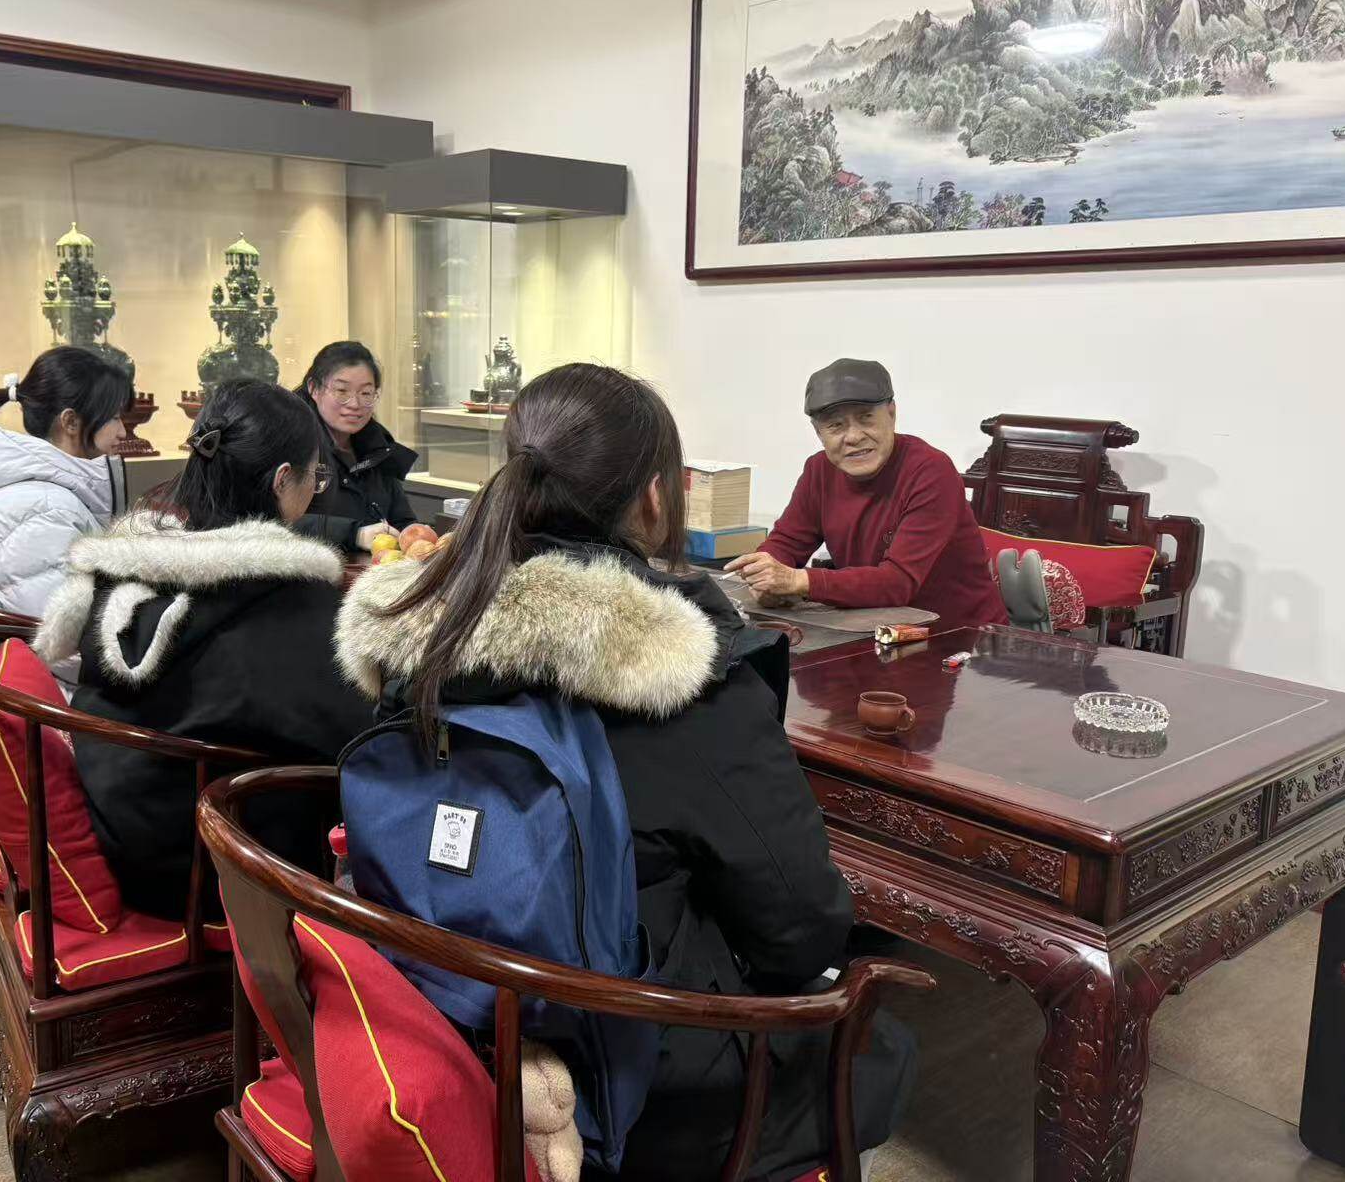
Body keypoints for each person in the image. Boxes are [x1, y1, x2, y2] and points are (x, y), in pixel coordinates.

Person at [334, 363, 913, 1182]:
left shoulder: (415, 632)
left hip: (442, 1005)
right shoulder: (685, 682)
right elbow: (799, 931)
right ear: (652, 497)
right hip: (633, 1078)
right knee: (881, 1047)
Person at [34, 379, 375, 920]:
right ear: (282, 479)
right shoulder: (284, 598)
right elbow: (353, 740)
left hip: (127, 822)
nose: (316, 488)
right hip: (213, 870)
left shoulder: (135, 566)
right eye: (316, 475)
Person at [727, 358, 1008, 627]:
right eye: (835, 425)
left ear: (892, 414)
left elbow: (898, 582)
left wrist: (797, 581)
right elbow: (787, 542)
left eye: (866, 418)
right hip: (876, 627)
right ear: (819, 433)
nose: (853, 436)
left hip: (963, 637)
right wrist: (763, 575)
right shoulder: (819, 470)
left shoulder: (930, 470)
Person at [0, 345, 130, 619]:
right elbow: (58, 634)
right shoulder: (50, 510)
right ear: (71, 422)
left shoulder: (39, 494)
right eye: (114, 418)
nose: (123, 432)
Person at [295, 340, 419, 552]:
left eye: (365, 393)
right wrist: (354, 534)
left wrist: (416, 534)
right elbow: (273, 522)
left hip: (377, 568)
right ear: (314, 388)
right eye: (342, 391)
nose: (354, 404)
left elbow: (403, 521)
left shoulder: (378, 448)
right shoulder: (292, 445)